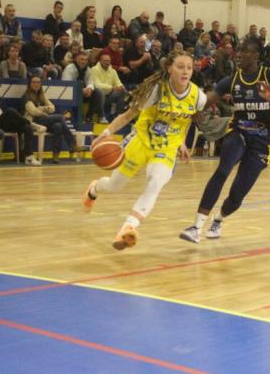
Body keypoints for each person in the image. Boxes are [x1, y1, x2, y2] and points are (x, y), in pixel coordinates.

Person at [82, 50, 206, 250]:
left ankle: (128, 228)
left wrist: (181, 142)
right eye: (180, 67)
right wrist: (105, 133)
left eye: (189, 68)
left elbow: (187, 120)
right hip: (140, 141)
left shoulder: (198, 97)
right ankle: (94, 189)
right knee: (114, 186)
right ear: (169, 68)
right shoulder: (155, 91)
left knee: (155, 182)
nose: (185, 71)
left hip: (166, 148)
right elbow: (127, 116)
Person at [179, 40, 270, 243]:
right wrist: (193, 109)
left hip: (261, 141)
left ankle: (218, 219)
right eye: (238, 51)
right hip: (238, 131)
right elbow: (207, 100)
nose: (238, 54)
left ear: (256, 55)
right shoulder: (231, 80)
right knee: (223, 170)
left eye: (245, 51)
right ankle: (196, 227)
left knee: (237, 195)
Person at [0, 75, 42, 166]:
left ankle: (29, 157)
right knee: (10, 110)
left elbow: (3, 112)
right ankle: (30, 123)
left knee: (27, 128)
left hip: (3, 121)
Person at [23, 74, 86, 163]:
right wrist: (43, 110)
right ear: (29, 84)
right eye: (33, 82)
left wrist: (41, 109)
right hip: (34, 122)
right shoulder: (27, 96)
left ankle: (56, 155)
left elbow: (52, 108)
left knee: (58, 126)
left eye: (38, 82)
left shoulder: (42, 95)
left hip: (44, 120)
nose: (36, 84)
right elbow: (33, 112)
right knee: (60, 117)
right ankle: (72, 144)